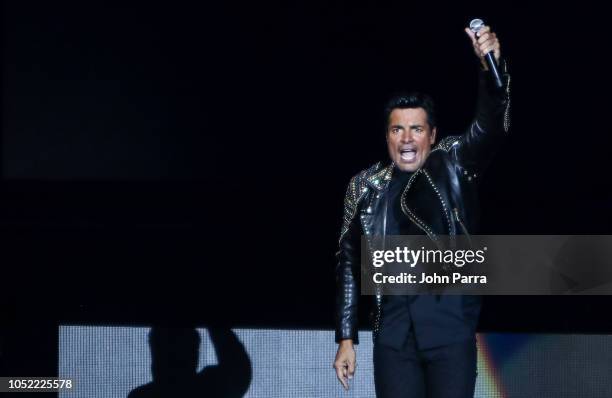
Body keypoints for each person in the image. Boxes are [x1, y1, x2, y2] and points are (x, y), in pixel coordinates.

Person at [333, 25, 511, 398]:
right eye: (398, 130)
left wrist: (490, 69)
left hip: (450, 331)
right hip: (394, 336)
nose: (407, 139)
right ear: (387, 136)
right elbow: (349, 263)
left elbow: (490, 125)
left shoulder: (454, 165)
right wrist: (346, 338)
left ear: (432, 135)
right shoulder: (365, 187)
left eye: (416, 129)